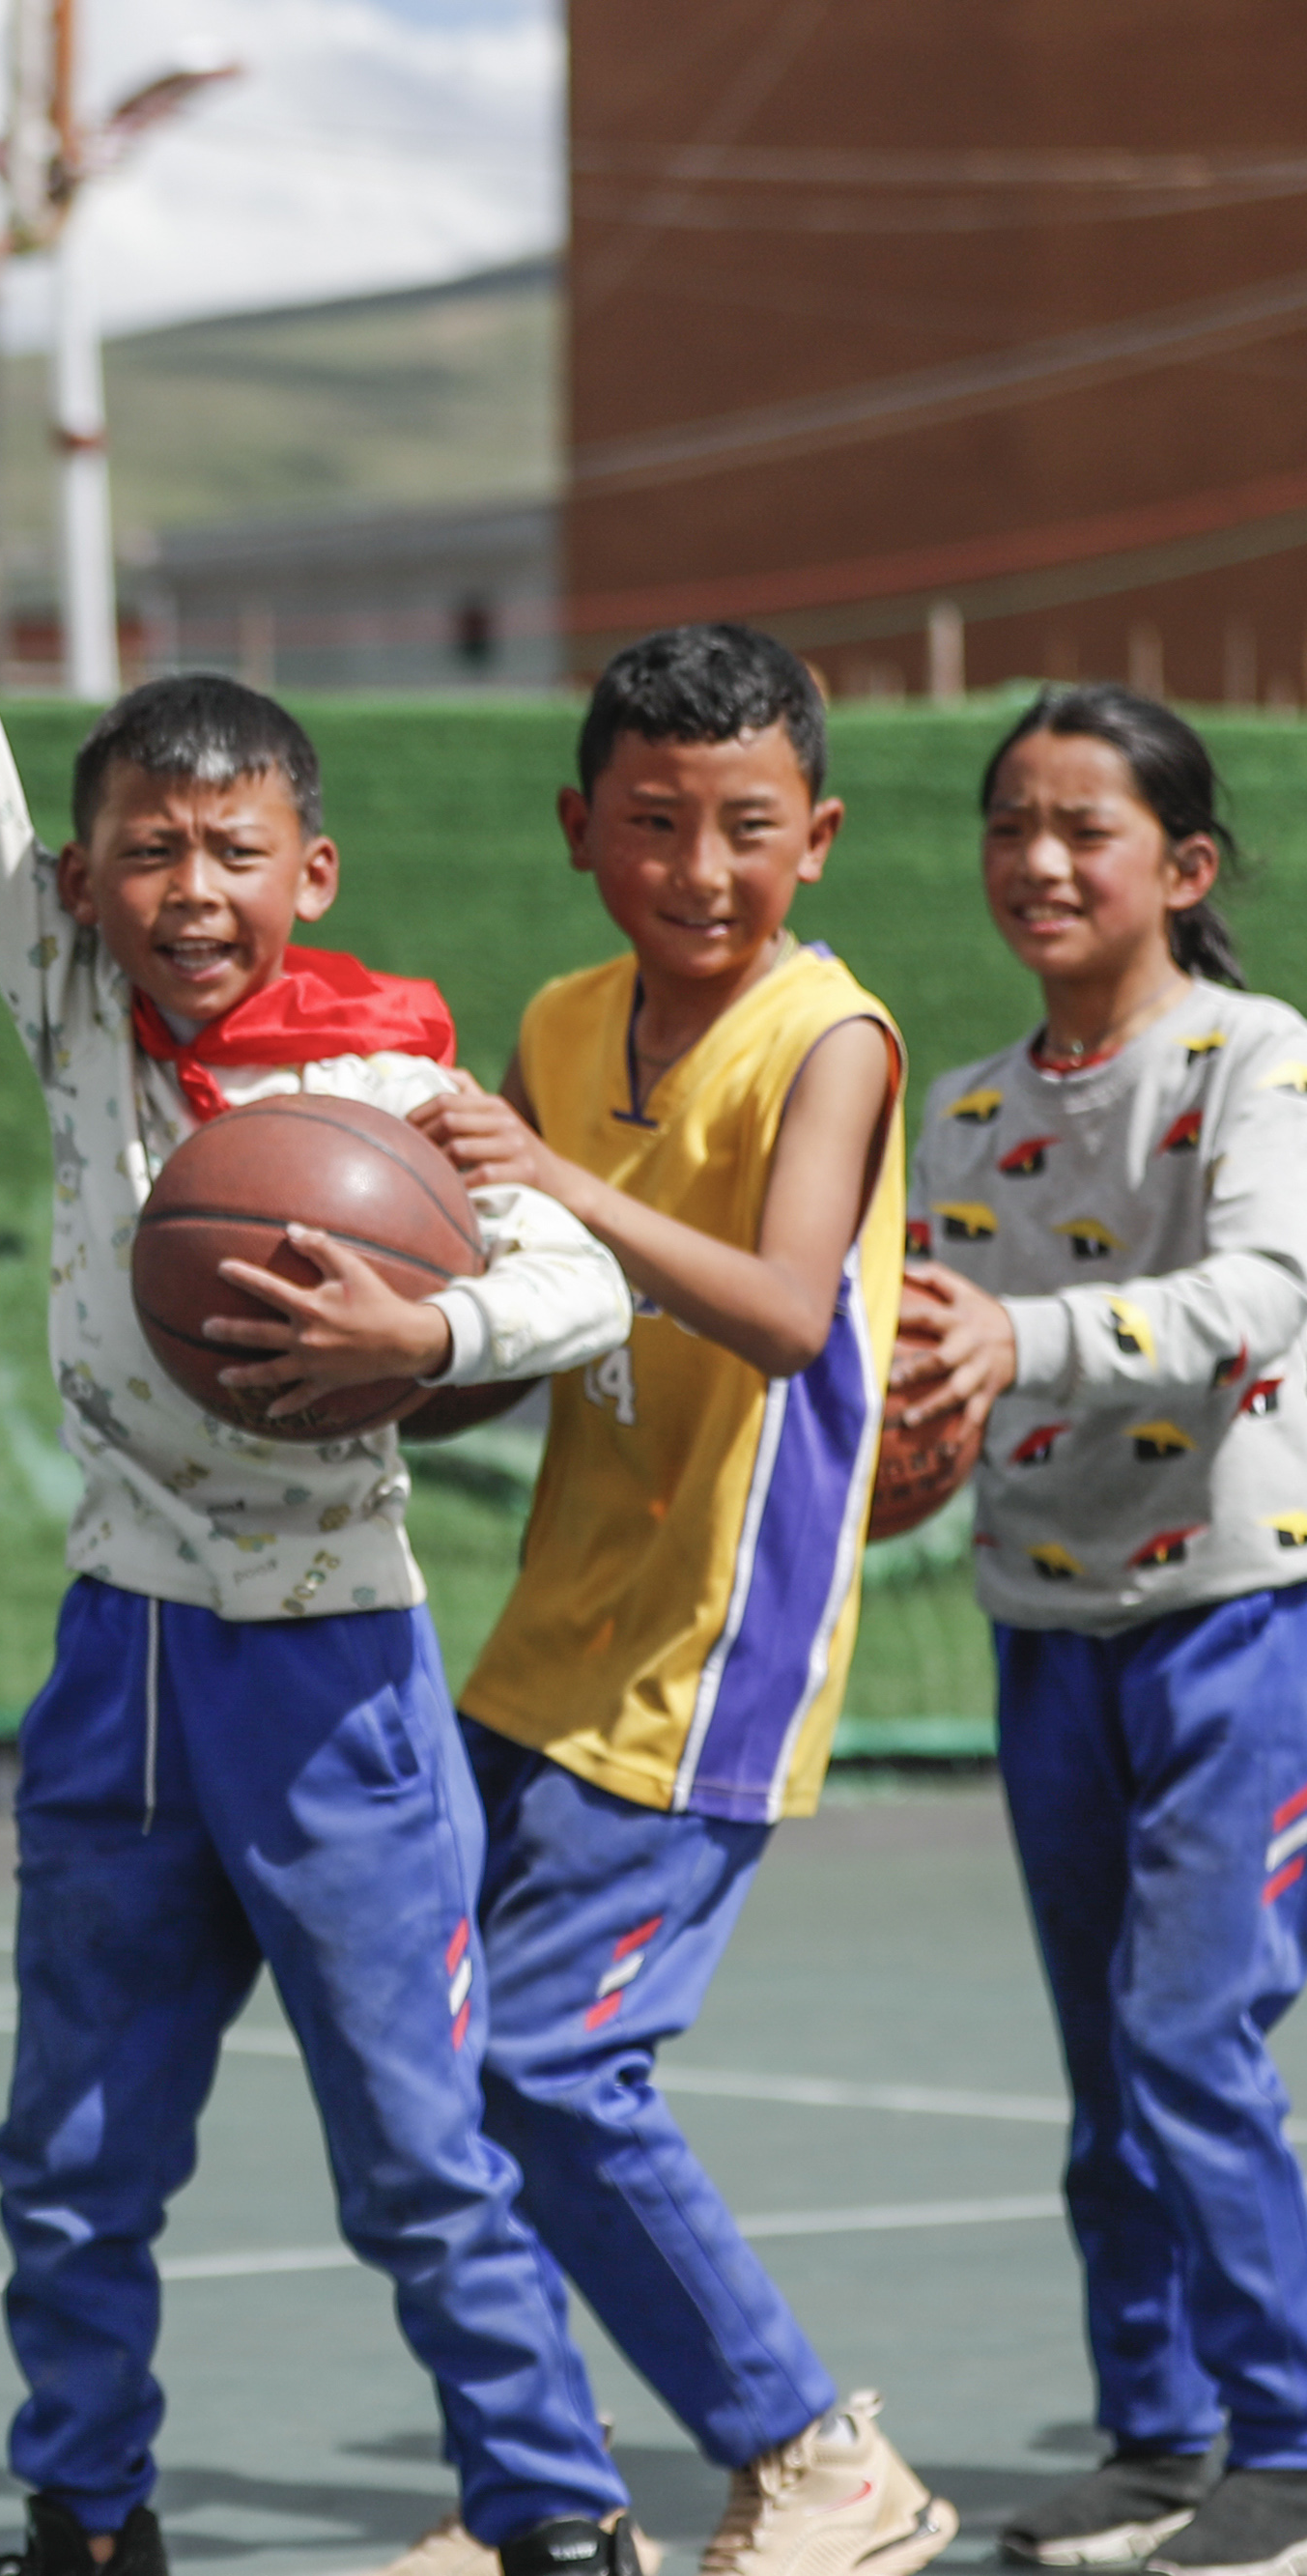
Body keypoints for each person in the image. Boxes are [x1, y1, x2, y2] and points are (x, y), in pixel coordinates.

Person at [0, 291, 641, 2576]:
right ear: (87, 884)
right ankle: (87, 2518)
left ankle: (557, 2516)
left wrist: (429, 1322)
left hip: (331, 1663)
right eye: (144, 850)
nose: (186, 889)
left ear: (310, 874)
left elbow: (585, 1283)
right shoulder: (70, 996)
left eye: (230, 849)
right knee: (70, 2147)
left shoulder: (389, 1084)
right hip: (121, 1653)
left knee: (414, 2147)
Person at [402, 627, 949, 2576]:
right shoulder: (559, 1022)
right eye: (650, 823)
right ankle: (534, 2490)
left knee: (548, 2065)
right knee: (431, 2069)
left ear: (813, 833)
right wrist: (383, 1344)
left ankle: (814, 2453)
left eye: (740, 827)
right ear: (577, 828)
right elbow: (533, 1323)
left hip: (717, 1651)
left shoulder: (830, 1036)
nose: (697, 869)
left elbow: (787, 1308)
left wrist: (546, 1176)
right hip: (546, 1627)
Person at [897, 687, 1307, 2576]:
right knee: (1103, 2059)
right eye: (1007, 824)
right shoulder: (968, 1108)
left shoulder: (1250, 1058)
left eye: (1082, 826)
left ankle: (1289, 2449)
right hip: (1044, 1630)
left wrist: (1014, 1337)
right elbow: (927, 1366)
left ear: (1182, 865)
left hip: (1245, 1622)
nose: (1038, 860)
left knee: (1184, 2024)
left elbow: (1254, 1287)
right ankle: (1153, 2438)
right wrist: (895, 1446)